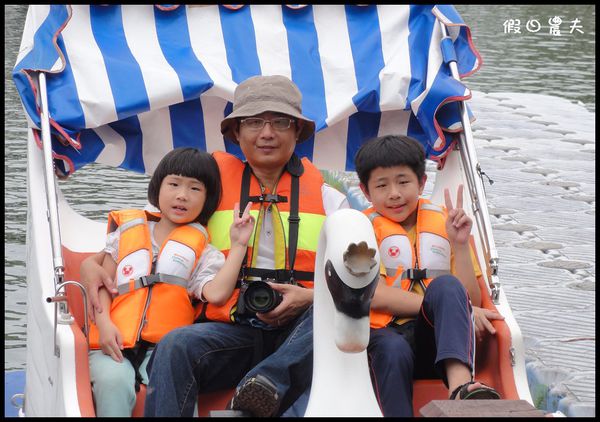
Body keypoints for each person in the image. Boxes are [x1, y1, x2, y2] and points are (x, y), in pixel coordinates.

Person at [79, 75, 349, 417]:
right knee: (177, 345)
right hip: (232, 330)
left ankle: (265, 382)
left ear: (297, 131)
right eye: (253, 122)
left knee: (331, 312)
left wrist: (309, 298)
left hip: (301, 334)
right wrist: (91, 266)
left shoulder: (331, 197)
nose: (267, 133)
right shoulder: (205, 189)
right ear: (236, 132)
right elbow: (148, 237)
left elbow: (358, 282)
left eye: (280, 122)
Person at [86, 147, 255, 416]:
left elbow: (217, 294)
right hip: (112, 338)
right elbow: (106, 285)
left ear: (208, 199)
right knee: (112, 381)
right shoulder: (126, 234)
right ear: (158, 188)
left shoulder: (204, 252)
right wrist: (104, 324)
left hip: (165, 349)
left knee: (174, 382)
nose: (182, 195)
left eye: (195, 189)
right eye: (174, 184)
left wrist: (238, 246)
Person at [353, 134, 503, 416]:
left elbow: (468, 296)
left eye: (404, 182)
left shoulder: (445, 222)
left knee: (447, 285)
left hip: (435, 342)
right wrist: (463, 310)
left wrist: (459, 244)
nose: (394, 193)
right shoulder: (361, 229)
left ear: (422, 183)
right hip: (385, 338)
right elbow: (375, 295)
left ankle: (460, 388)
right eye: (382, 185)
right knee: (392, 349)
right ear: (365, 190)